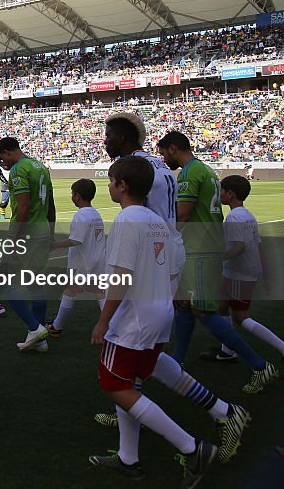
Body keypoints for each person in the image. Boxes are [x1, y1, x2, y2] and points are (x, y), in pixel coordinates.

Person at [87, 156, 217, 485]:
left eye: (112, 180)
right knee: (128, 384)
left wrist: (103, 321)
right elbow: (171, 267)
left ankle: (191, 447)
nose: (108, 185)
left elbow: (121, 276)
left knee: (114, 385)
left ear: (123, 185)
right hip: (159, 314)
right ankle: (129, 458)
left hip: (134, 319)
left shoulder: (128, 220)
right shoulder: (157, 220)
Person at [157, 130, 276, 392]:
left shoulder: (189, 173)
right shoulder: (207, 170)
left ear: (174, 148)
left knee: (202, 310)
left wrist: (159, 232)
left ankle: (258, 365)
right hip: (207, 245)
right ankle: (176, 362)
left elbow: (184, 215)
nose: (164, 159)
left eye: (164, 153)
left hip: (200, 249)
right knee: (186, 307)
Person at [215, 175, 284, 361]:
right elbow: (258, 246)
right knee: (221, 306)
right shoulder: (248, 216)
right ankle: (227, 350)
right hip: (243, 270)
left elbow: (239, 247)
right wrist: (267, 275)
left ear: (230, 194)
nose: (219, 194)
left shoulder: (234, 217)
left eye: (222, 190)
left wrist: (216, 258)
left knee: (240, 316)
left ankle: (281, 347)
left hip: (240, 272)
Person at [0, 137, 54, 351]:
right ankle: (41, 340)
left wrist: (14, 240)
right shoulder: (41, 167)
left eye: (3, 158)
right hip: (43, 230)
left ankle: (34, 328)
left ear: (8, 152)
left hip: (26, 233)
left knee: (5, 283)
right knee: (36, 283)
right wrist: (52, 233)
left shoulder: (19, 169)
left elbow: (23, 206)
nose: (4, 163)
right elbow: (51, 204)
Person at [47, 179, 107, 337]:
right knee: (99, 291)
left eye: (72, 194)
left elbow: (76, 240)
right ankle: (113, 328)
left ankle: (57, 327)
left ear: (78, 196)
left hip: (82, 261)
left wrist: (55, 245)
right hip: (98, 259)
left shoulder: (81, 215)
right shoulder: (95, 213)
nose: (71, 197)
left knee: (70, 289)